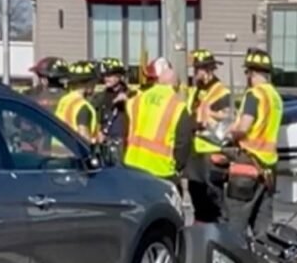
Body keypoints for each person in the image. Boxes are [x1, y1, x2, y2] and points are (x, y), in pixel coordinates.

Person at [223, 47, 284, 238]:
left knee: (235, 225)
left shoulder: (254, 95)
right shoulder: (276, 98)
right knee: (262, 227)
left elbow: (245, 127)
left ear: (252, 73)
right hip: (268, 169)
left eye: (247, 72)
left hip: (247, 166)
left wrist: (230, 133)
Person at [123, 57, 195, 185]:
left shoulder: (135, 101)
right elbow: (183, 142)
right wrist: (178, 167)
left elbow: (125, 132)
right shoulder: (177, 106)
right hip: (162, 171)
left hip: (132, 167)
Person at [186, 49, 234, 223]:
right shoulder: (196, 90)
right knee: (196, 194)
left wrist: (209, 120)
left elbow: (226, 122)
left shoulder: (221, 92)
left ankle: (222, 232)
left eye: (198, 69)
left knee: (214, 198)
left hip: (212, 151)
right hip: (196, 151)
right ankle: (201, 231)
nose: (195, 72)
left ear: (209, 70)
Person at [54, 60, 102, 144]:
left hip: (57, 151)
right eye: (94, 82)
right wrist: (96, 141)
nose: (95, 85)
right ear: (88, 83)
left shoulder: (64, 100)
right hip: (74, 154)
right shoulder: (83, 106)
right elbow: (83, 135)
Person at [93, 57, 135, 142]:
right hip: (106, 141)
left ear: (119, 76)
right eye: (104, 76)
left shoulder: (132, 94)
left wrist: (128, 101)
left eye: (109, 75)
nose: (106, 79)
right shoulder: (100, 96)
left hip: (124, 140)